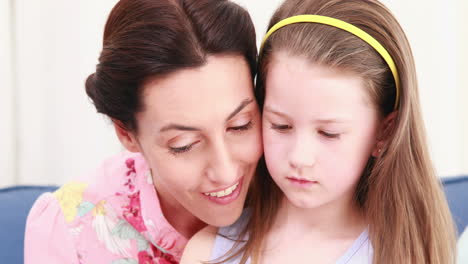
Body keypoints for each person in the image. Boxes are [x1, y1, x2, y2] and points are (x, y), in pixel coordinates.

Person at [181, 0, 457, 263]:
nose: (300, 157)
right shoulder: (210, 252)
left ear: (384, 133)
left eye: (329, 133)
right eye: (281, 126)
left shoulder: (404, 256)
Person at [24, 0, 262, 263]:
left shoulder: (301, 193)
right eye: (184, 144)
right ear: (127, 133)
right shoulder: (71, 229)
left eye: (240, 125)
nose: (225, 172)